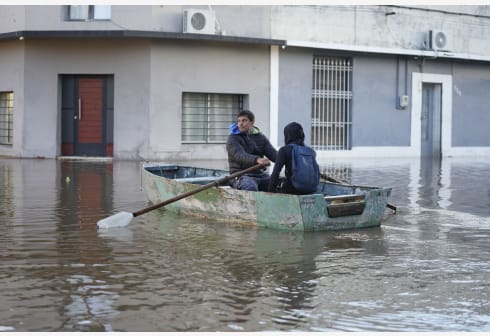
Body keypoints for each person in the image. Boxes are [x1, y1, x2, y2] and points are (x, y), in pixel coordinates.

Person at [226, 110, 277, 191]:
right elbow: (239, 155)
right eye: (239, 121)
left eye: (244, 120)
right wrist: (257, 159)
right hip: (240, 175)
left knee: (278, 185)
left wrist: (286, 158)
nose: (240, 124)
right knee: (250, 187)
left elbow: (273, 154)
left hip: (260, 175)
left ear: (252, 122)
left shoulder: (260, 137)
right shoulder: (233, 138)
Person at [268, 122, 320, 194]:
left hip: (292, 189)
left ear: (287, 135)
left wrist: (270, 192)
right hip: (311, 190)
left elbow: (275, 173)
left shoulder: (284, 150)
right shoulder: (311, 151)